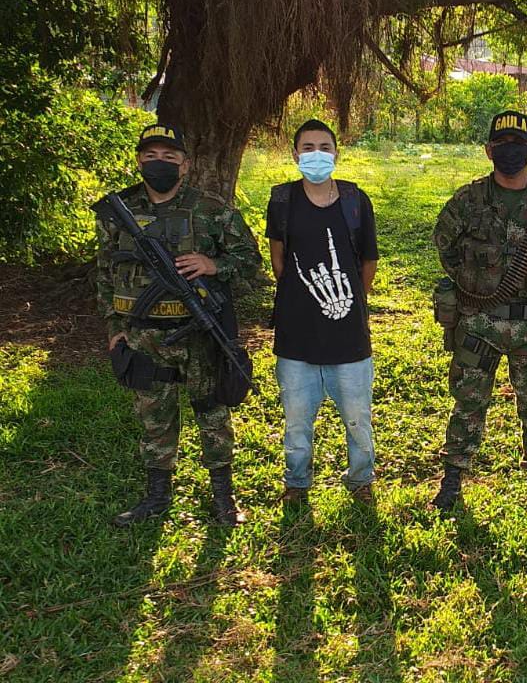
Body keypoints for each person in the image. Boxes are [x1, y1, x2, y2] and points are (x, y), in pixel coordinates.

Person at [95, 123, 261, 527]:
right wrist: (114, 326)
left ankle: (224, 497)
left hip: (200, 332)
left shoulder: (211, 208)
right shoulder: (120, 209)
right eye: (151, 155)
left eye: (170, 157)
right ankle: (156, 497)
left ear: (185, 165)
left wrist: (213, 264)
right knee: (154, 416)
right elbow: (104, 270)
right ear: (138, 160)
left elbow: (250, 261)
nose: (160, 163)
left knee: (213, 414)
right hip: (142, 333)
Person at [431, 110, 527, 518]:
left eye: (518, 147)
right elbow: (445, 247)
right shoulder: (468, 201)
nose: (510, 154)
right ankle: (451, 483)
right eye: (502, 147)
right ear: (488, 151)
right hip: (479, 321)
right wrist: (476, 285)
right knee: (467, 402)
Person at [266, 119, 380, 506]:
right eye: (308, 146)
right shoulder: (282, 200)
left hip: (348, 336)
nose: (317, 153)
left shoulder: (354, 200)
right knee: (297, 420)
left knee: (357, 419)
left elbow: (367, 261)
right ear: (295, 153)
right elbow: (279, 260)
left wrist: (351, 304)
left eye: (325, 146)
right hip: (295, 334)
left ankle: (361, 479)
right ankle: (297, 484)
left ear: (337, 152)